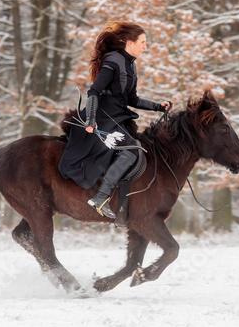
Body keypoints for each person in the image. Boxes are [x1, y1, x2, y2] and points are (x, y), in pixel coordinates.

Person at [59, 21, 171, 220]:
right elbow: (94, 91)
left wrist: (157, 106)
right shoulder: (113, 60)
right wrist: (91, 120)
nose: (145, 46)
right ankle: (100, 197)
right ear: (129, 43)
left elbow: (132, 99)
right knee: (131, 151)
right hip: (102, 117)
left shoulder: (131, 65)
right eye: (143, 42)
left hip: (118, 116)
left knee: (135, 149)